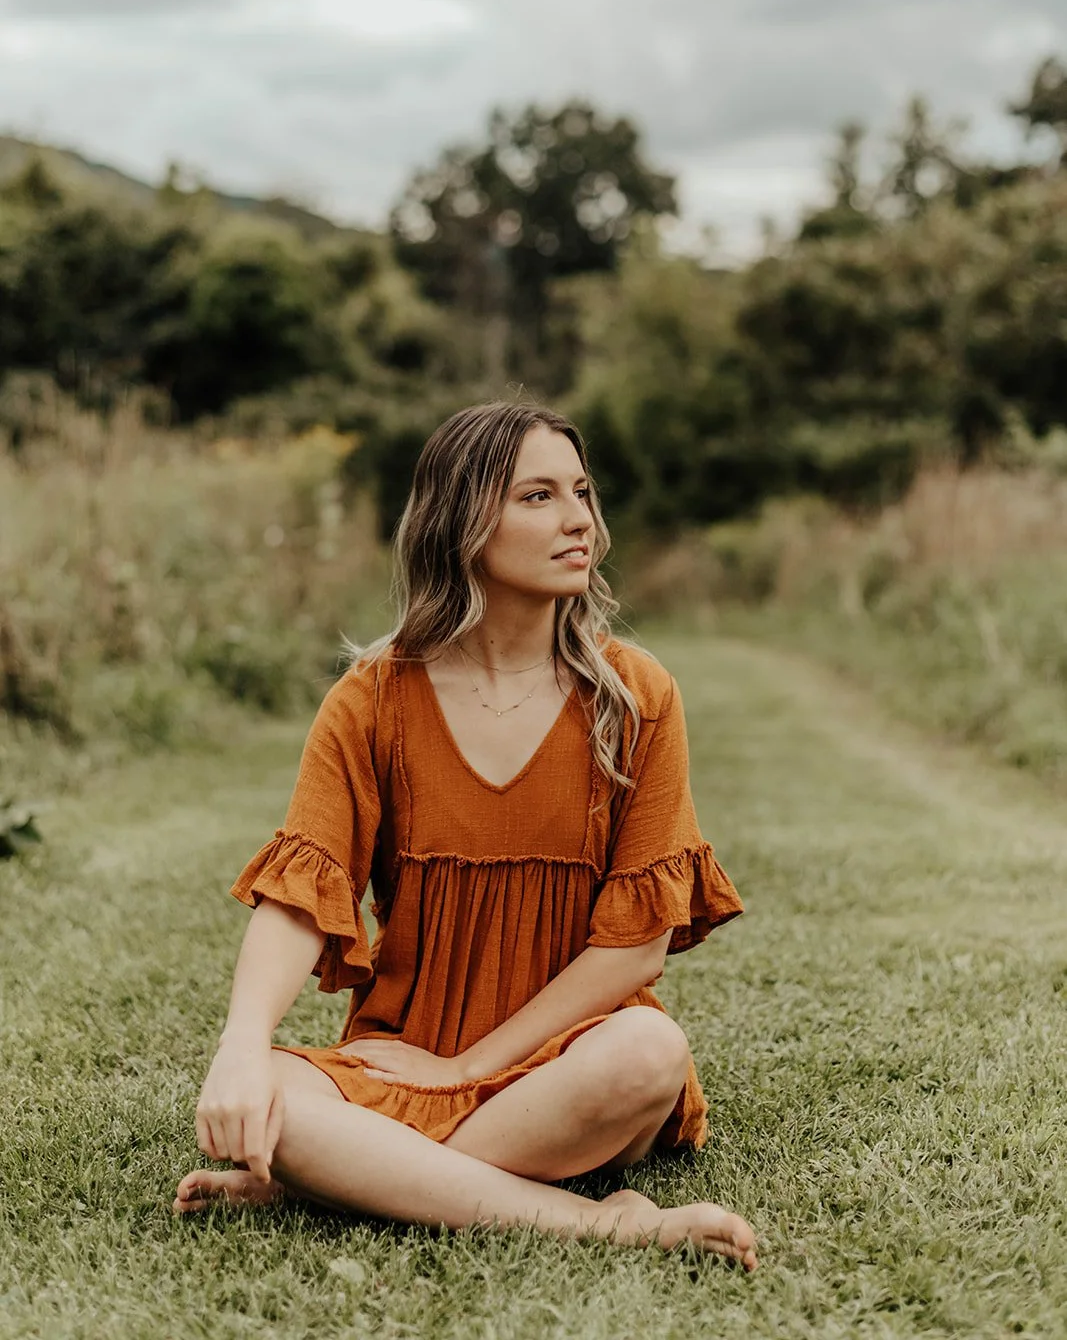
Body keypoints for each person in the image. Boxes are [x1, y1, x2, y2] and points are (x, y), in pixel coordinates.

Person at [173, 401, 757, 1266]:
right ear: (461, 524)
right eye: (537, 497)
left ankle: (331, 1177)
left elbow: (635, 951)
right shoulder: (371, 699)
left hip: (568, 1061)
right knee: (281, 1094)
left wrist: (465, 1070)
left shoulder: (634, 695)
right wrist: (241, 1048)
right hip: (401, 1050)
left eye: (582, 493)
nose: (578, 520)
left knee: (650, 1050)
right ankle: (598, 1221)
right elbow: (301, 896)